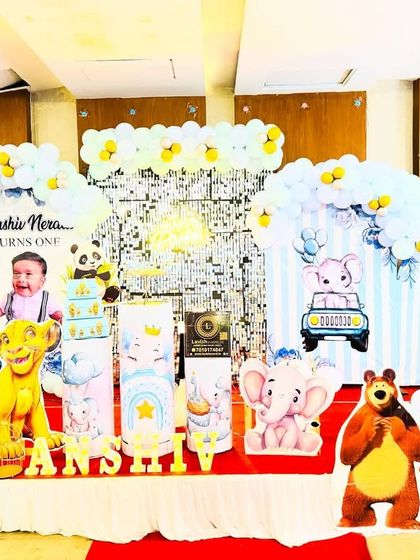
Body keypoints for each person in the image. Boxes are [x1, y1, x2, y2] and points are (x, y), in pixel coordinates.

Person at [0, 252, 63, 323]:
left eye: (28, 274)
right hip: (14, 330)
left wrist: (61, 319)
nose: (21, 279)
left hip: (38, 330)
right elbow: (1, 309)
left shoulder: (46, 299)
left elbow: (57, 315)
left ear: (42, 281)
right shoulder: (9, 298)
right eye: (16, 274)